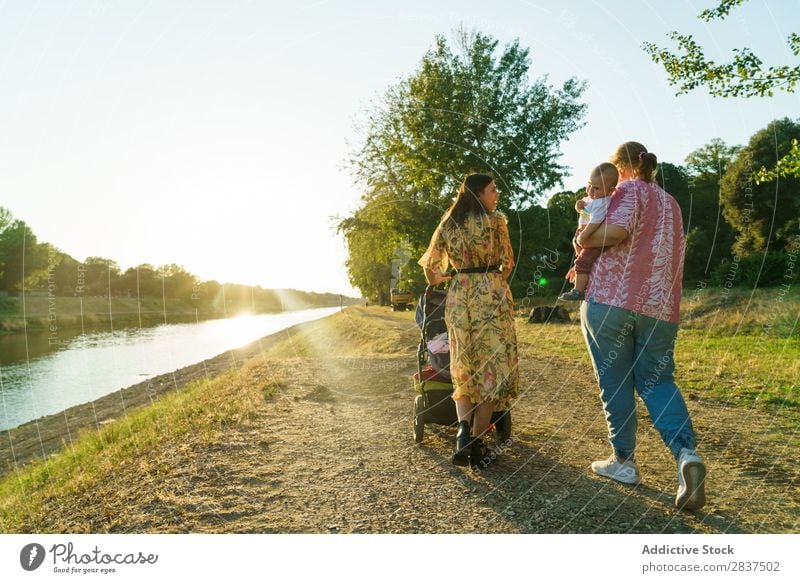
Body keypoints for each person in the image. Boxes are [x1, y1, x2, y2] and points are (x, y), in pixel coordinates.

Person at [577, 141, 707, 511]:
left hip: (612, 301)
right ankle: (686, 455)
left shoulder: (627, 190)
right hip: (660, 309)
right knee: (658, 382)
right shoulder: (672, 203)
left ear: (620, 168)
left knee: (615, 381)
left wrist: (582, 236)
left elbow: (616, 233)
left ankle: (624, 462)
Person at [418, 173, 519, 469]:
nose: (496, 194)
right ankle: (476, 439)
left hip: (460, 294)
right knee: (490, 366)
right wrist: (494, 281)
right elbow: (507, 262)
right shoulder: (496, 221)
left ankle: (463, 432)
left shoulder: (449, 222)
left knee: (463, 364)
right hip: (490, 292)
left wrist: (444, 277)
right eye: (492, 190)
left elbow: (430, 267)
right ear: (478, 193)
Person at [559, 163, 619, 301]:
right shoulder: (594, 198)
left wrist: (582, 237)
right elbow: (584, 210)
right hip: (582, 233)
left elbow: (595, 223)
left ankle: (578, 291)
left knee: (583, 262)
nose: (591, 190)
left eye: (596, 188)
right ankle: (581, 279)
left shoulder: (602, 202)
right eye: (589, 185)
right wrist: (578, 206)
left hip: (591, 236)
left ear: (610, 190)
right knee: (580, 261)